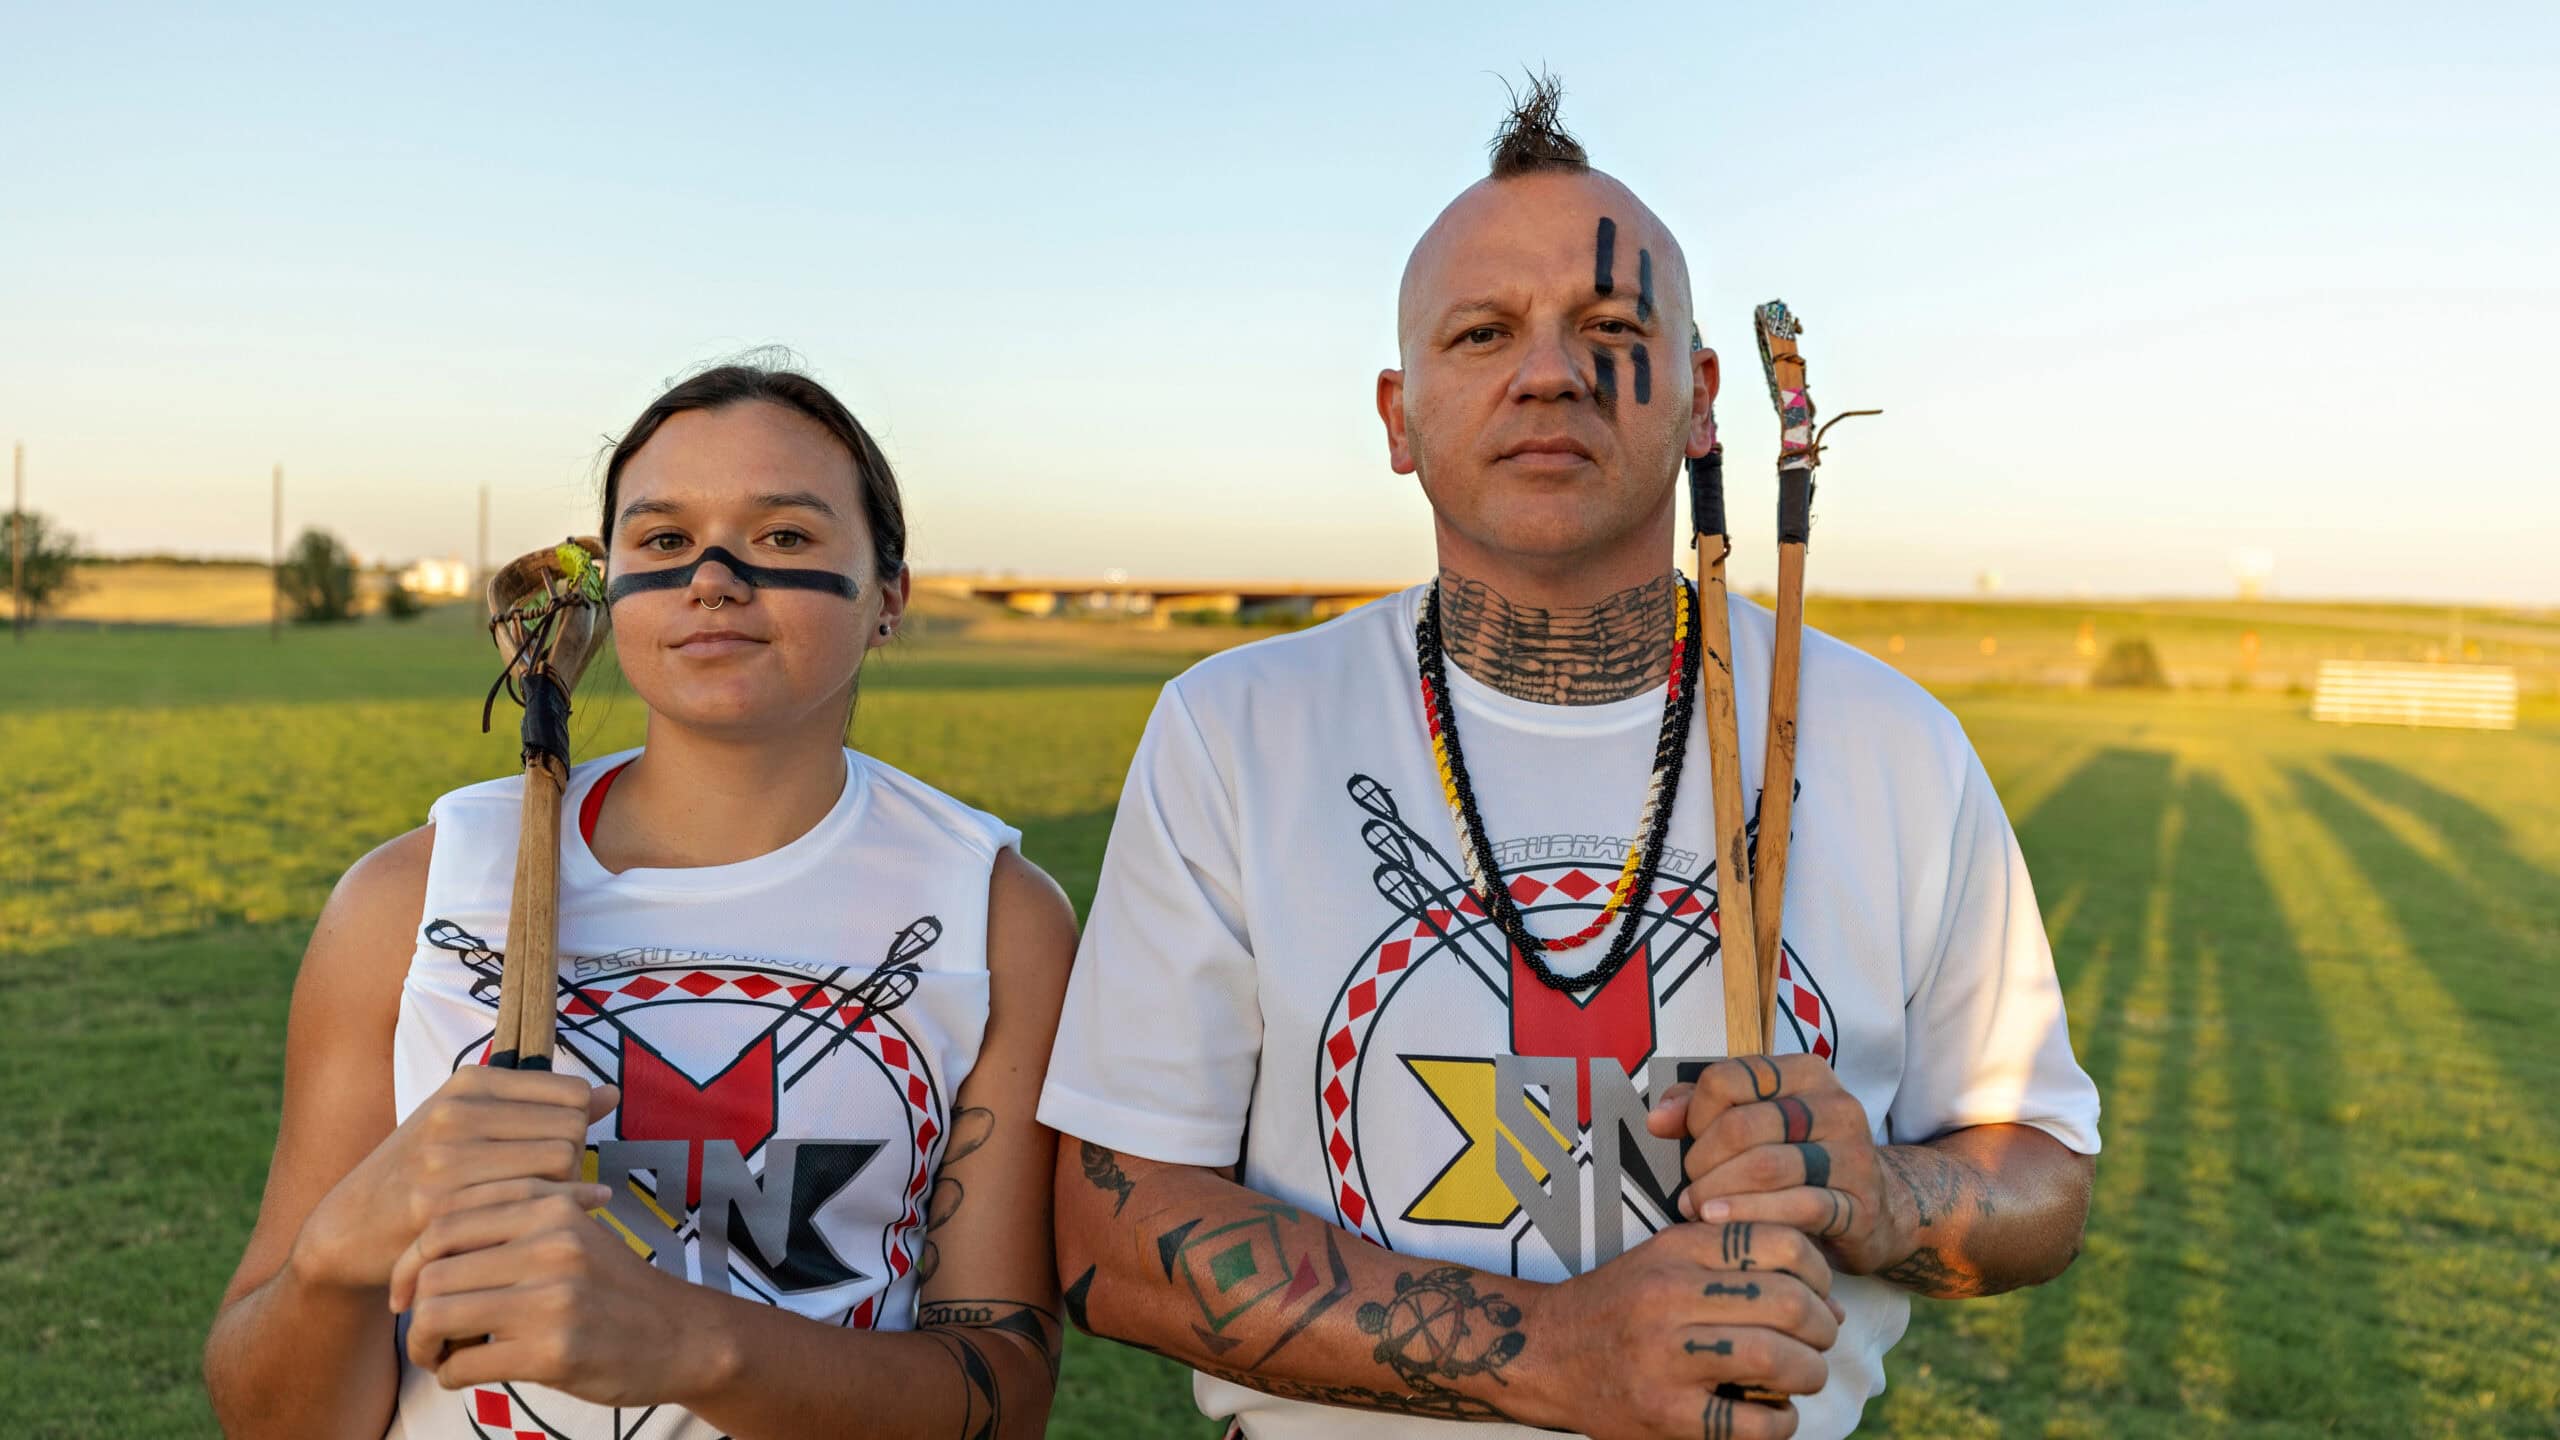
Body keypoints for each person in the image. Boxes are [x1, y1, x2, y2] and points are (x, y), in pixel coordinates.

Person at [1039, 79, 2099, 1440]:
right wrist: (1552, 1351)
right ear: (1397, 412)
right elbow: (1108, 1232)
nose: (1549, 372)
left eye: (1611, 327)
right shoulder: (1236, 730)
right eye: (1483, 333)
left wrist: (1886, 1198)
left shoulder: (1894, 745)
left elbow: (2043, 1183)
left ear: (1701, 395)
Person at [206, 363, 1077, 1440]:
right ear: (605, 586)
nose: (712, 577)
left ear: (889, 596)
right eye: (663, 540)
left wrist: (690, 1345)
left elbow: (1004, 1397)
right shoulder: (410, 897)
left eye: (784, 538)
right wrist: (339, 1257)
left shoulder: (994, 915)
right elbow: (269, 1417)